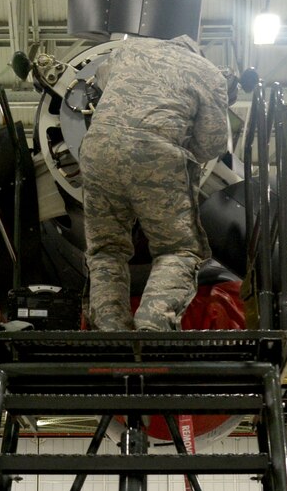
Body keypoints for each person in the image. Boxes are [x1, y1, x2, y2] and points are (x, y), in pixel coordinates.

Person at [81, 34, 232, 332]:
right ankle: (153, 324)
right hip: (157, 154)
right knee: (178, 250)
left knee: (106, 250)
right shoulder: (208, 72)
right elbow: (212, 144)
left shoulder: (129, 51)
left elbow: (95, 87)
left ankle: (111, 329)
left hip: (96, 150)